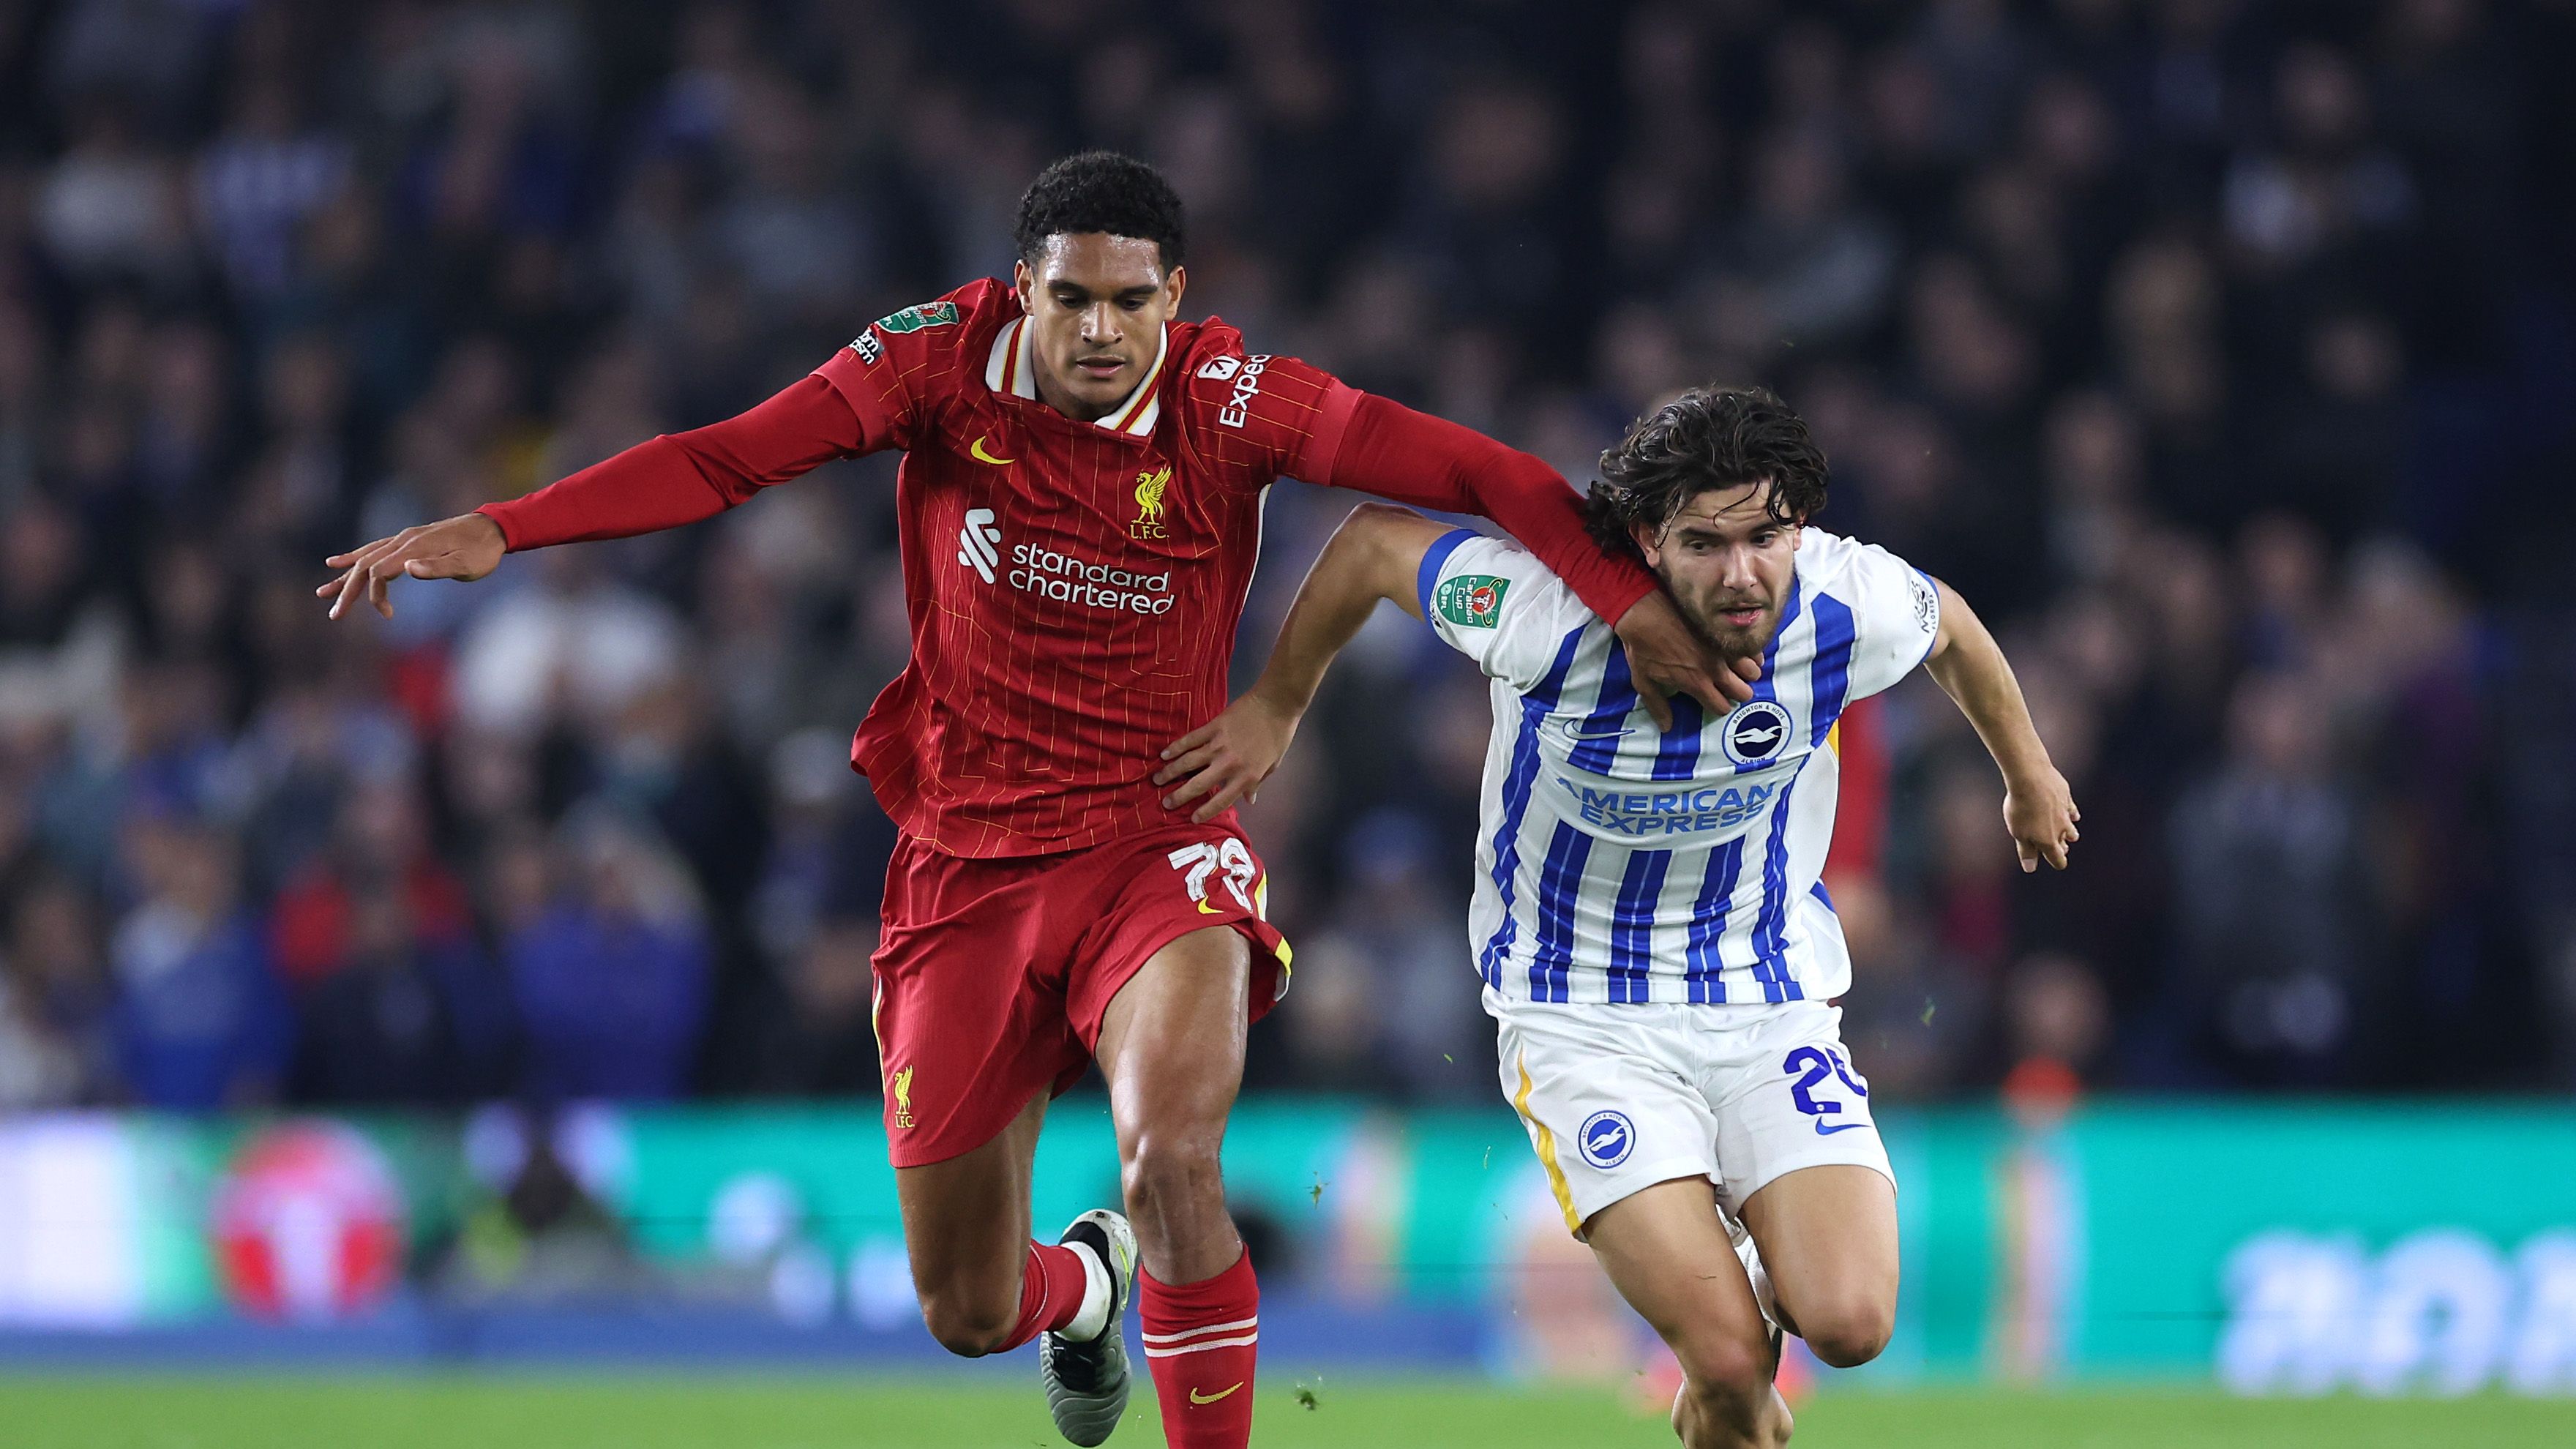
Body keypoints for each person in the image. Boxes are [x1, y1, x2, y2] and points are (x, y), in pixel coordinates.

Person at [315, 152, 1753, 1449]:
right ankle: (1085, 1292)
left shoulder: (1228, 401)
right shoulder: (931, 366)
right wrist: (504, 526)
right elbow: (725, 458)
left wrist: (1623, 601)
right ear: (1024, 290)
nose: (1099, 329)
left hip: (1157, 842)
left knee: (1169, 1153)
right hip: (964, 868)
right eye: (1070, 298)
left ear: (1173, 297)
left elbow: (1470, 468)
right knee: (964, 1305)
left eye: (1130, 300)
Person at [1158, 386, 2078, 1448]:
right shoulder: (1542, 613)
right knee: (1733, 1360)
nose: (1742, 573)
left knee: (1852, 1322)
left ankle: (1724, 1346)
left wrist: (2027, 773)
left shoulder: (1841, 602)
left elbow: (1951, 628)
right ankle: (1721, 1354)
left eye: (1766, 536)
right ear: (1645, 541)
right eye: (1704, 543)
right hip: (1580, 1018)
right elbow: (1370, 546)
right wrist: (1277, 703)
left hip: (1765, 998)